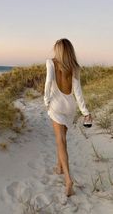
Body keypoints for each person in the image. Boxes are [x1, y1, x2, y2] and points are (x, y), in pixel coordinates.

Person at [43, 38, 92, 197]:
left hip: (57, 106)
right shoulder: (75, 67)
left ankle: (68, 179)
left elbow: (48, 82)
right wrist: (85, 112)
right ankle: (59, 167)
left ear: (58, 50)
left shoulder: (51, 63)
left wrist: (46, 100)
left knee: (60, 140)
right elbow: (78, 92)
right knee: (63, 139)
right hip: (70, 107)